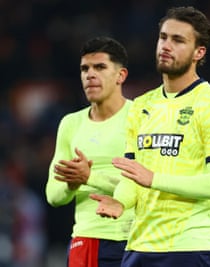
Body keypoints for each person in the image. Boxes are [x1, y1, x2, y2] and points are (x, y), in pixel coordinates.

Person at [90, 6, 210, 267]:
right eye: (163, 37)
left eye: (178, 40)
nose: (166, 45)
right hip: (140, 245)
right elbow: (133, 177)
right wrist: (120, 201)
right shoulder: (141, 106)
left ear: (199, 52)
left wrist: (155, 179)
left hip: (189, 246)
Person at [45, 36, 134, 267]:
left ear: (121, 75)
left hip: (136, 238)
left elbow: (149, 186)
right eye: (85, 68)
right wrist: (71, 184)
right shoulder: (70, 123)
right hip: (88, 238)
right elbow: (53, 196)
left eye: (100, 67)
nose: (90, 75)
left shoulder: (141, 118)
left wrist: (89, 178)